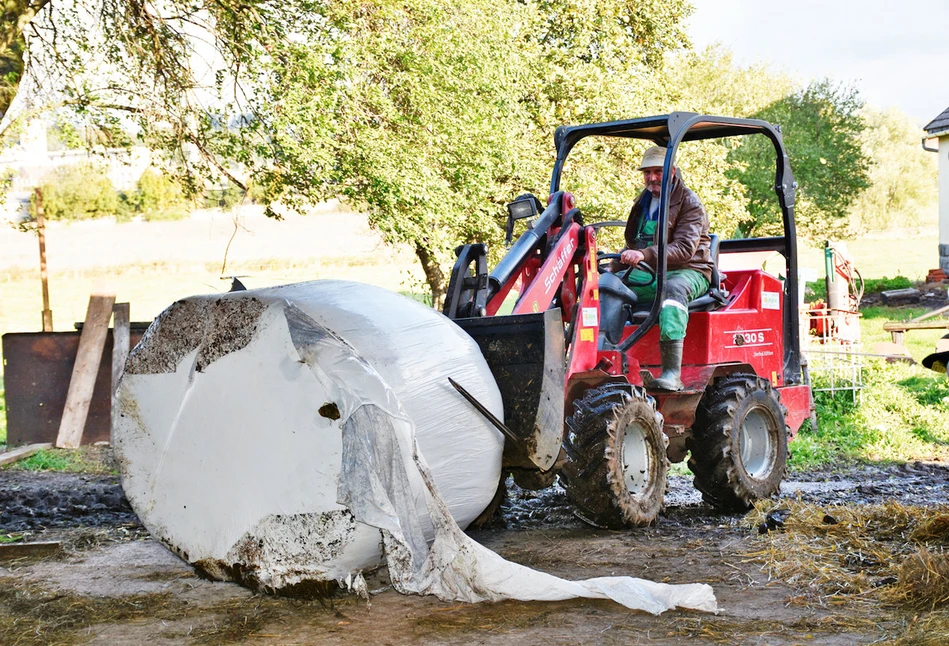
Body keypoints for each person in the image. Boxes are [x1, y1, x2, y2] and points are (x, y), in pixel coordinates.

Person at [617, 145, 714, 391]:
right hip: (652, 269)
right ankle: (607, 358)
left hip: (689, 270)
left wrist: (642, 254)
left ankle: (671, 373)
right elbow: (634, 242)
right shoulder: (643, 201)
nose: (651, 178)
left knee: (670, 293)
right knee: (608, 288)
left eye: (657, 171)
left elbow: (683, 249)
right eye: (647, 172)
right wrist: (610, 269)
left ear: (671, 170)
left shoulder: (690, 203)